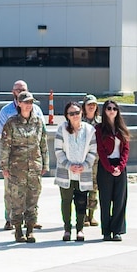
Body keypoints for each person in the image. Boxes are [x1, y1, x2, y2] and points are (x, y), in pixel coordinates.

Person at [0, 92, 47, 242]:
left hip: (35, 167)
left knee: (33, 199)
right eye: (25, 102)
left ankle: (30, 229)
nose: (28, 105)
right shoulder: (11, 123)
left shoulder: (38, 122)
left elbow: (43, 144)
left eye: (30, 102)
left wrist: (45, 163)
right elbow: (5, 146)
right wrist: (4, 166)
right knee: (17, 199)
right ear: (19, 103)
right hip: (16, 168)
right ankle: (18, 230)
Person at [52, 101, 97, 241]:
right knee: (66, 201)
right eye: (71, 113)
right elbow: (58, 151)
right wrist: (68, 165)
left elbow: (93, 151)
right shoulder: (62, 129)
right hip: (66, 172)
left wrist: (85, 165)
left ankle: (80, 229)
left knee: (81, 201)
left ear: (81, 113)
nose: (75, 115)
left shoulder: (89, 130)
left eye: (77, 112)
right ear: (67, 116)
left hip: (83, 172)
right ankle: (67, 229)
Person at [0, 79, 29, 231]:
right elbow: (2, 135)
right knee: (10, 190)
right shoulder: (6, 111)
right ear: (12, 92)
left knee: (31, 189)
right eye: (17, 89)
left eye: (23, 89)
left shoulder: (36, 110)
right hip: (12, 157)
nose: (20, 92)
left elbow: (42, 134)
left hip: (31, 158)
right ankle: (9, 219)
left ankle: (30, 218)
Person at [96, 98, 131, 241]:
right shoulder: (99, 129)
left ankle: (117, 230)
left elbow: (126, 150)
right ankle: (106, 231)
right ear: (104, 111)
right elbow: (101, 150)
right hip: (105, 166)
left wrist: (120, 167)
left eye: (114, 109)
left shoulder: (122, 129)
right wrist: (110, 168)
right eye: (109, 108)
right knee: (105, 199)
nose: (112, 111)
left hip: (120, 167)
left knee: (120, 199)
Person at [80, 95, 101, 226]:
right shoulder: (79, 121)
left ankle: (91, 215)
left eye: (93, 104)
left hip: (96, 160)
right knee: (82, 188)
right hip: (81, 160)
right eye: (89, 104)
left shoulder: (100, 122)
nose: (91, 106)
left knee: (94, 187)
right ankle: (82, 216)